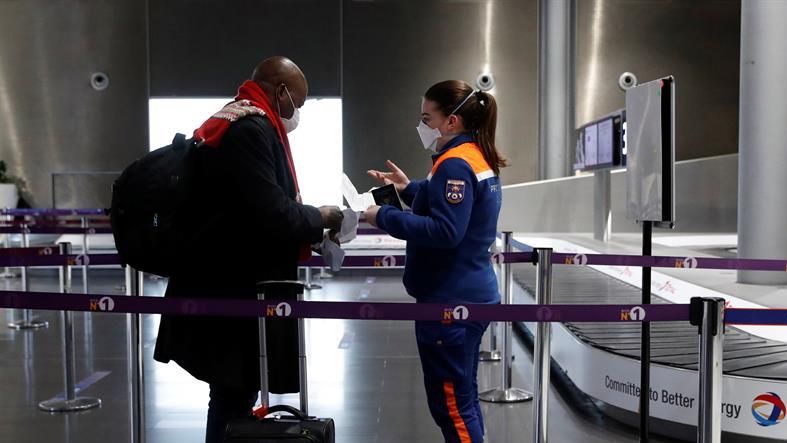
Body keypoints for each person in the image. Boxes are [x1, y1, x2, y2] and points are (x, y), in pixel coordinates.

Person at [153, 56, 343, 443]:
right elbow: (270, 211)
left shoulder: (233, 119)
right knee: (232, 392)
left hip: (222, 277)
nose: (298, 114)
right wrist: (320, 216)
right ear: (281, 92)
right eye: (298, 104)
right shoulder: (251, 129)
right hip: (233, 284)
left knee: (232, 391)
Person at [364, 80, 506, 443]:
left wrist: (381, 216)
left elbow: (446, 231)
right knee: (464, 398)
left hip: (451, 301)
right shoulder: (471, 156)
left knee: (453, 408)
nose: (422, 125)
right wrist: (407, 188)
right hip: (469, 292)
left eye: (427, 118)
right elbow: (447, 201)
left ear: (451, 122)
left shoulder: (454, 164)